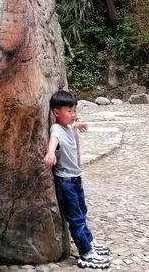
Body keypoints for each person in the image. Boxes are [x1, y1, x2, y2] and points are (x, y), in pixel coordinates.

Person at [44, 90, 111, 269]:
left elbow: (68, 127)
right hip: (66, 181)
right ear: (56, 113)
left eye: (75, 111)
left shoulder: (66, 125)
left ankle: (89, 241)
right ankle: (85, 252)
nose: (73, 115)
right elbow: (54, 138)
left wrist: (76, 124)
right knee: (76, 217)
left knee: (82, 210)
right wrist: (50, 152)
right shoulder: (56, 128)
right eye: (70, 111)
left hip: (75, 177)